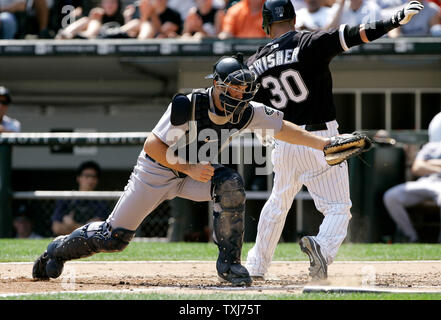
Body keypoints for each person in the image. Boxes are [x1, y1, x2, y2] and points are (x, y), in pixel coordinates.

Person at [32, 54, 341, 286]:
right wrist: (187, 167)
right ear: (218, 86)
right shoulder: (187, 105)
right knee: (115, 238)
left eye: (245, 90)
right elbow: (152, 146)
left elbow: (283, 128)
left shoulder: (246, 112)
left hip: (193, 173)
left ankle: (229, 265)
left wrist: (323, 145)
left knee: (230, 184)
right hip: (157, 172)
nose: (240, 96)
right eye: (234, 89)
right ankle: (56, 250)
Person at [244, 0, 424, 281]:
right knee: (338, 208)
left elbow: (250, 110)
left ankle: (255, 266)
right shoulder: (307, 41)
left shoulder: (253, 63)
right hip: (322, 139)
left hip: (285, 138)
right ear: (293, 19)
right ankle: (322, 247)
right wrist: (394, 20)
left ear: (266, 27)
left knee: (278, 203)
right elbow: (357, 33)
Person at [383, 140, 441, 243]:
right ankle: (411, 237)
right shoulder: (430, 146)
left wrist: (429, 164)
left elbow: (422, 166)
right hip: (425, 181)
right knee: (391, 196)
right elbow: (417, 168)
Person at [51, 161, 111, 236]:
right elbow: (57, 228)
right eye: (87, 176)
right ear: (79, 178)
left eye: (94, 177)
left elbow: (100, 232)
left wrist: (73, 225)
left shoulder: (101, 202)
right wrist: (88, 228)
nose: (90, 180)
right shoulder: (66, 199)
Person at [55, 0, 124, 39]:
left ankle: (86, 36)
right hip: (87, 34)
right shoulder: (98, 13)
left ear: (118, 4)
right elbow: (88, 24)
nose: (109, 5)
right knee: (85, 20)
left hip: (100, 36)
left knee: (95, 22)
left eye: (112, 2)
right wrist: (92, 17)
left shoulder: (121, 17)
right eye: (106, 2)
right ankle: (66, 33)